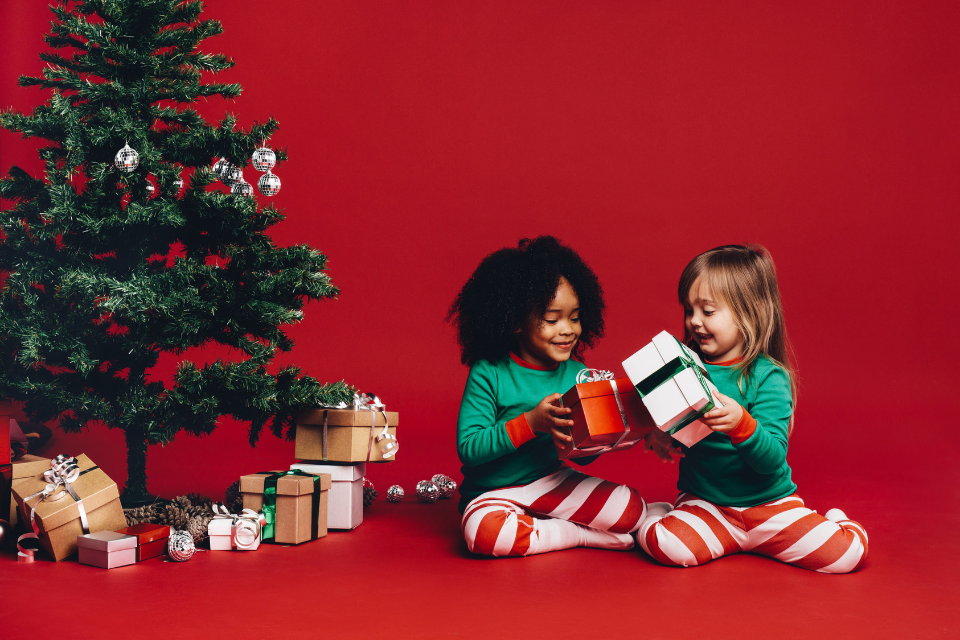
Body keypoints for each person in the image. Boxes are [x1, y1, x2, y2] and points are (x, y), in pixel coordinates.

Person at [638, 245, 868, 573]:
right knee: (666, 546)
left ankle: (836, 521)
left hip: (770, 505)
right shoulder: (685, 367)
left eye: (708, 311)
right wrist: (661, 435)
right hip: (708, 505)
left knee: (846, 556)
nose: (695, 322)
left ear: (749, 313)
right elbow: (686, 431)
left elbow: (771, 459)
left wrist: (740, 424)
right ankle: (664, 514)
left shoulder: (768, 376)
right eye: (690, 310)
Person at [448, 236, 648, 557]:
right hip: (494, 493)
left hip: (551, 481)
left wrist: (606, 435)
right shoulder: (490, 371)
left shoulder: (577, 374)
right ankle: (578, 535)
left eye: (575, 317)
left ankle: (543, 529)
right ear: (514, 321)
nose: (567, 329)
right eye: (552, 319)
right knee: (486, 535)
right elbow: (469, 449)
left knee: (632, 511)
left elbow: (580, 453)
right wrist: (531, 422)